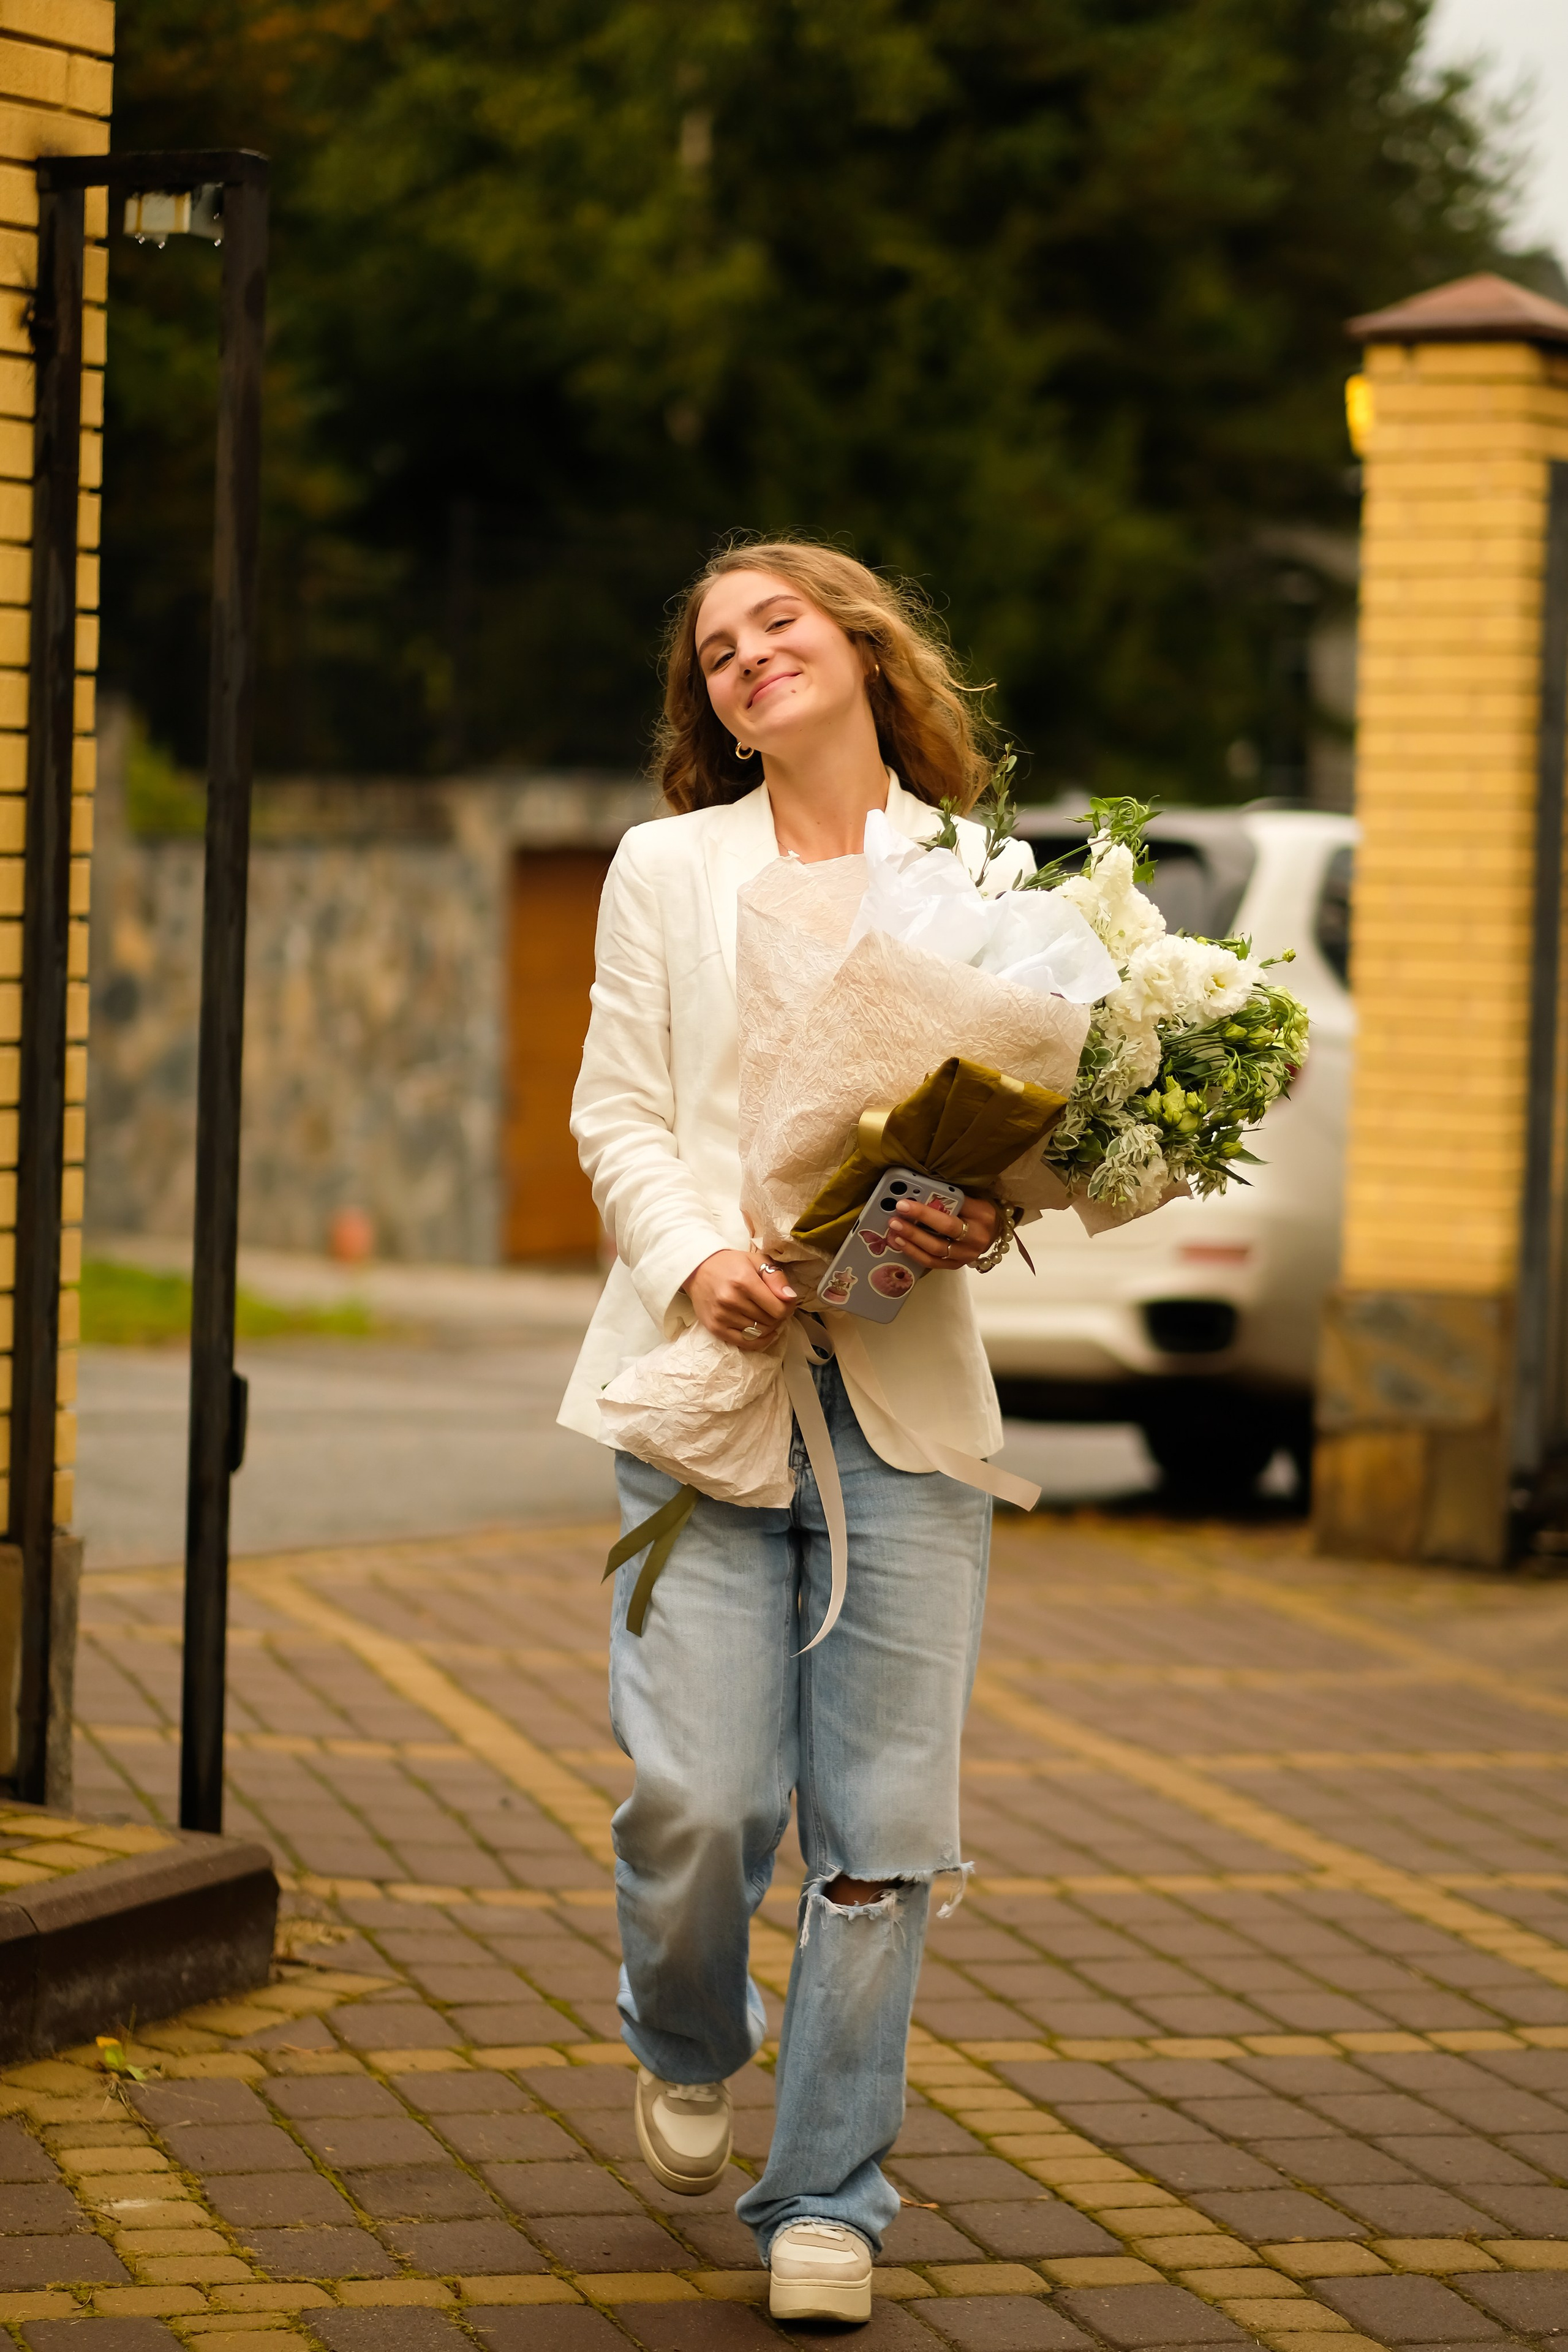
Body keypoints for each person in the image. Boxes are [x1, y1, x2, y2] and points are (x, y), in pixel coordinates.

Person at [558, 539, 1032, 2324]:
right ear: (715, 705)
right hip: (700, 1393)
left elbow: (1011, 1136)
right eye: (718, 648)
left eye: (780, 623)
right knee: (699, 1795)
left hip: (905, 1414)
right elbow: (618, 1115)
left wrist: (986, 1213)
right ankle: (685, 2032)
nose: (751, 654)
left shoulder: (974, 876)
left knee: (881, 1832)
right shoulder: (664, 869)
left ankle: (828, 2190)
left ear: (859, 643)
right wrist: (698, 1265)